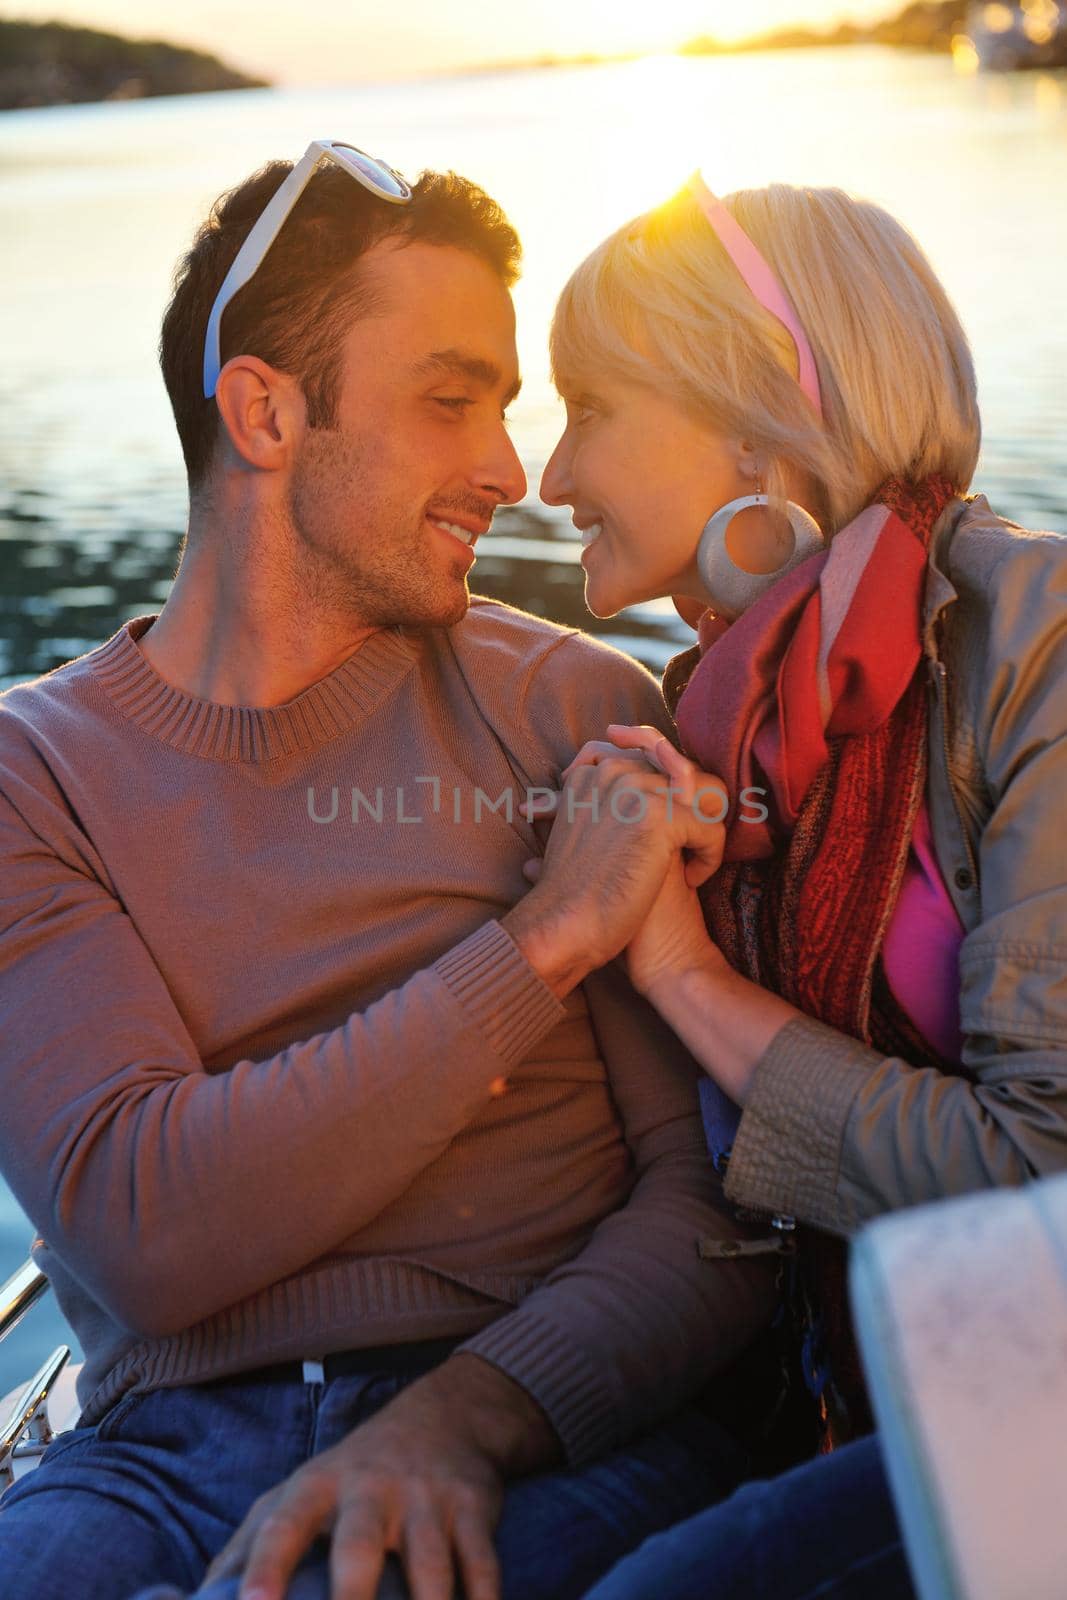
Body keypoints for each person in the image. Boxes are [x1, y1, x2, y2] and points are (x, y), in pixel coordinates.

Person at [0, 146, 779, 1600]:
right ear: (266, 410)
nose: (508, 469)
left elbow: (715, 1206)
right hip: (153, 1455)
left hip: (537, 1419)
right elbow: (142, 1228)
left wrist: (463, 1424)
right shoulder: (31, 773)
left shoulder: (570, 707)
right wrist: (544, 937)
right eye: (450, 400)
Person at [521, 172, 1067, 1598]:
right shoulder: (714, 714)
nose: (546, 476)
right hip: (844, 1377)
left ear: (757, 404)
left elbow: (1042, 1183)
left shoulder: (1035, 647)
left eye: (588, 406)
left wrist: (685, 975)